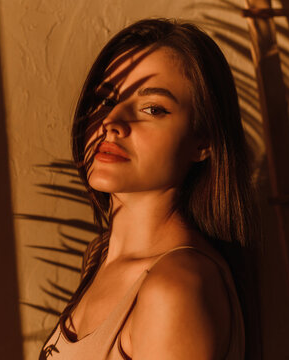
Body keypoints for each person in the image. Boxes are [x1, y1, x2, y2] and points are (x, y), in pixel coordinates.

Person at [40, 18, 261, 360]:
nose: (112, 122)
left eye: (152, 108)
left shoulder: (174, 287)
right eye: (105, 100)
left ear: (203, 140)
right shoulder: (99, 259)